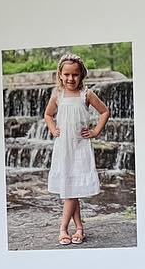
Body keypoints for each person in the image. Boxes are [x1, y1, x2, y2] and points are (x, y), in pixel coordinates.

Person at [44, 53, 109, 245]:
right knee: (70, 189)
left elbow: (105, 111)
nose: (70, 78)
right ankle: (79, 228)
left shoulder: (86, 94)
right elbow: (48, 114)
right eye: (67, 74)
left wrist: (96, 130)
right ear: (60, 75)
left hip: (80, 148)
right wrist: (53, 128)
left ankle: (63, 228)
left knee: (71, 191)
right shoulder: (57, 95)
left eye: (75, 75)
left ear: (81, 75)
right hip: (64, 148)